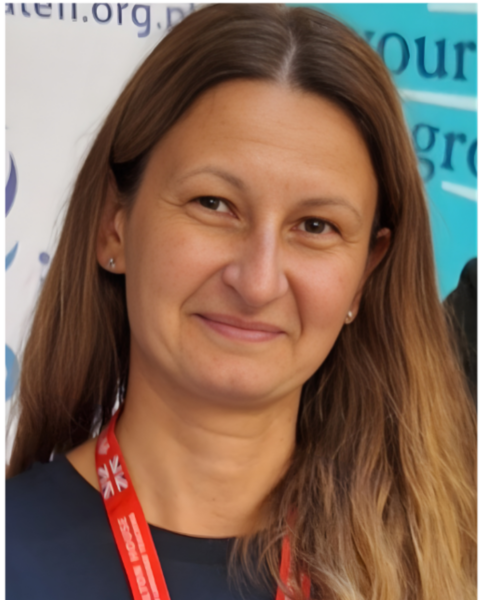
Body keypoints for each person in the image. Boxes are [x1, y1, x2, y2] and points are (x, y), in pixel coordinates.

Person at [6, 4, 476, 600]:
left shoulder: (446, 567)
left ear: (365, 272)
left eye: (315, 225)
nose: (257, 282)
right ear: (113, 226)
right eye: (213, 204)